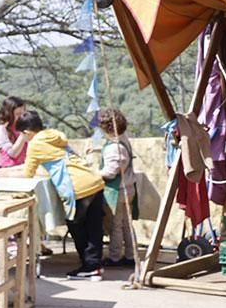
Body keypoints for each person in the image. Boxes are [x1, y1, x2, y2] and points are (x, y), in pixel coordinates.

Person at [15, 111, 106, 281]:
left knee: (76, 225)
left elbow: (27, 173)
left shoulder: (35, 144)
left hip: (77, 187)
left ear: (26, 132)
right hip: (93, 180)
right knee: (94, 227)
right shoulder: (55, 135)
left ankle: (90, 266)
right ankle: (95, 266)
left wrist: (5, 173)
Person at [96, 108, 137, 268]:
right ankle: (130, 255)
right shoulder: (123, 139)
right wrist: (97, 149)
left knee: (116, 226)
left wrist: (94, 174)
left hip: (119, 191)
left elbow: (111, 172)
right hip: (128, 187)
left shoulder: (115, 147)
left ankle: (114, 257)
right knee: (127, 224)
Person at [0, 96, 28, 167]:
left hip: (24, 165)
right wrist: (23, 135)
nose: (21, 117)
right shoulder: (1, 130)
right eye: (18, 114)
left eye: (23, 113)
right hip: (9, 167)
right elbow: (13, 153)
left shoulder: (21, 127)